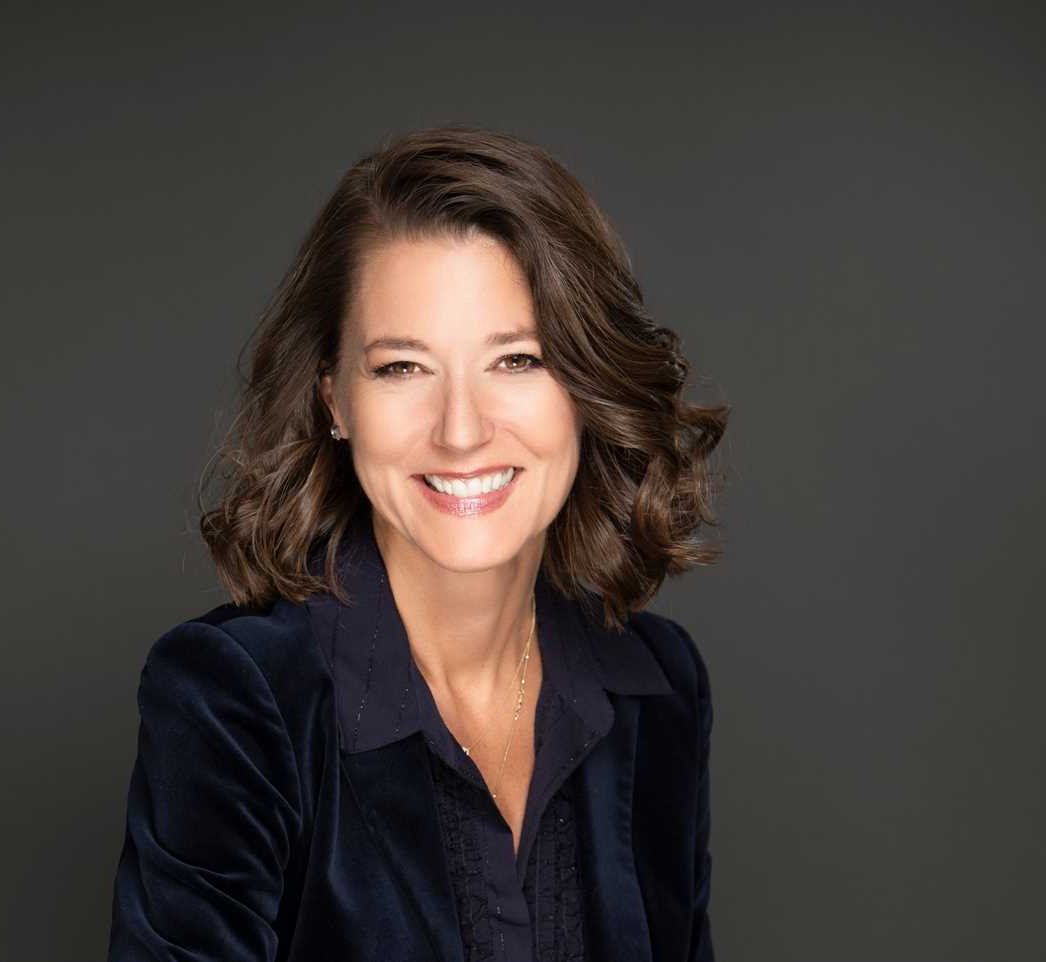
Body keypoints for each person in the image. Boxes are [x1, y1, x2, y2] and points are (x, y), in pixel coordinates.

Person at [107, 124, 729, 962]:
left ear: (586, 385)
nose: (462, 431)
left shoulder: (658, 690)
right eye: (403, 367)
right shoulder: (238, 701)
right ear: (335, 400)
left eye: (517, 360)